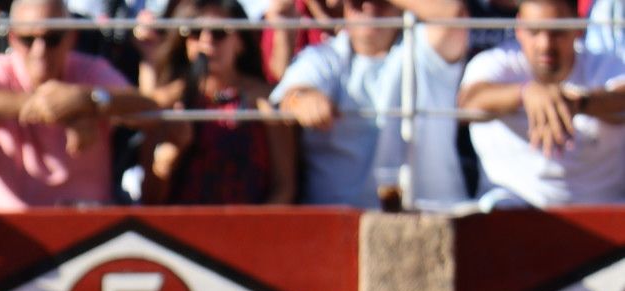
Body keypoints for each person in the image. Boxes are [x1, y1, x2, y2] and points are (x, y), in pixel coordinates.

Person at [0, 0, 157, 209]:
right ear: (12, 38)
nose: (40, 50)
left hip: (92, 223)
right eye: (28, 39)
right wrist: (44, 106)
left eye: (53, 38)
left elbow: (149, 109)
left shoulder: (90, 70)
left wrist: (88, 100)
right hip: (13, 228)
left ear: (72, 37)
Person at [271, 0, 470, 210]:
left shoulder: (424, 49)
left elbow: (453, 13)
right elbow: (289, 98)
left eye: (381, 2)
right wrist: (303, 101)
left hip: (434, 221)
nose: (368, 6)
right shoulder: (324, 56)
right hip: (341, 226)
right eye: (356, 2)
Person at [461, 0, 625, 206]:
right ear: (519, 28)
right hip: (511, 209)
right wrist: (525, 94)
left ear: (578, 27)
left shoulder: (609, 65)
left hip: (608, 215)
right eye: (534, 32)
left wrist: (579, 103)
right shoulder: (494, 63)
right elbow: (466, 103)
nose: (545, 44)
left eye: (557, 31)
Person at [139, 0, 295, 204]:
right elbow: (150, 199)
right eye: (194, 32)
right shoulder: (167, 102)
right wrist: (167, 160)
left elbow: (284, 187)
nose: (206, 41)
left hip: (249, 229)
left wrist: (257, 231)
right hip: (183, 229)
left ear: (240, 42)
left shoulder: (265, 101)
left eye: (219, 32)